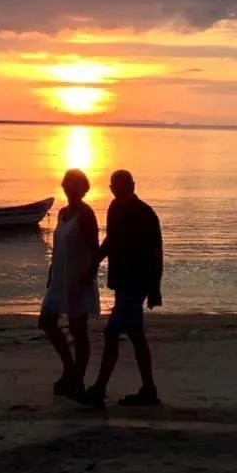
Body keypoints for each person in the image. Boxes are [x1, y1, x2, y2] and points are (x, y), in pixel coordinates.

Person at [80, 169, 163, 407]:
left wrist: (155, 288)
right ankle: (149, 389)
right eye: (114, 186)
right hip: (122, 281)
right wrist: (95, 261)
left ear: (133, 186)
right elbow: (111, 240)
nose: (117, 190)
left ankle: (99, 389)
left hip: (136, 283)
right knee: (136, 336)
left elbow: (155, 252)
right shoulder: (114, 208)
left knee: (112, 333)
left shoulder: (145, 213)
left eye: (122, 186)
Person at [39, 169, 100, 397]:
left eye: (74, 186)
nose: (69, 189)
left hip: (78, 278)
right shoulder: (62, 212)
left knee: (78, 330)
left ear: (82, 189)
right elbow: (58, 248)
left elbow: (95, 249)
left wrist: (89, 274)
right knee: (46, 321)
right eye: (67, 185)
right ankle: (69, 369)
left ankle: (77, 379)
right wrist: (52, 270)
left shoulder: (86, 214)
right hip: (59, 277)